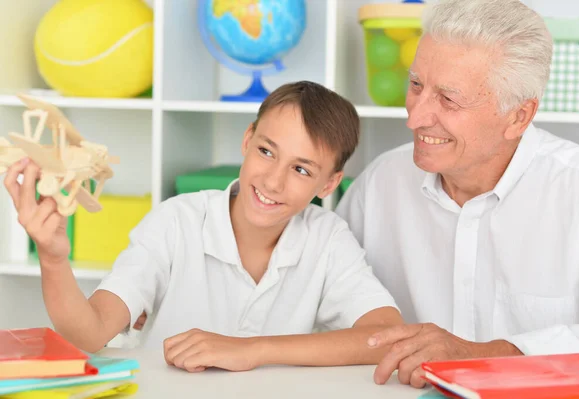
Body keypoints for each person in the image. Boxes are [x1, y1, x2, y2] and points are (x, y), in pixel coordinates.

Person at [4, 81, 403, 373]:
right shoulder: (175, 221)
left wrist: (252, 350)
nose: (272, 181)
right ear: (247, 141)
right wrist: (54, 260)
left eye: (301, 169)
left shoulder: (328, 237)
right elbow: (87, 335)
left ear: (329, 184)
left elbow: (386, 334)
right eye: (267, 151)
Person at [336, 0, 579, 389]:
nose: (414, 117)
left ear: (519, 117)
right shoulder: (380, 184)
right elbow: (321, 300)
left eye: (448, 99)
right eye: (416, 85)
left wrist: (478, 354)